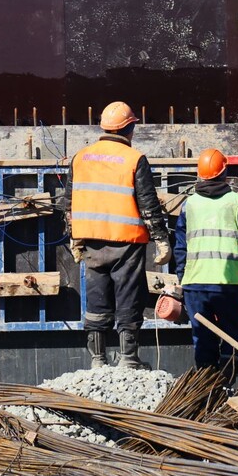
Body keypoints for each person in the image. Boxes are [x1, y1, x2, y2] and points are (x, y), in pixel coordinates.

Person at [65, 101, 171, 370]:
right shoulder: (134, 159)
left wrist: (73, 237)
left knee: (97, 297)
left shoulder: (81, 157)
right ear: (130, 128)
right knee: (128, 297)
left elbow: (68, 203)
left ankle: (98, 360)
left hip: (91, 242)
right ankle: (128, 358)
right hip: (126, 242)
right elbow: (148, 204)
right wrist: (161, 239)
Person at [174, 148, 238, 377]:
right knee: (232, 335)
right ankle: (227, 381)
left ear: (200, 174)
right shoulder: (237, 202)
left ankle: (205, 382)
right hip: (227, 284)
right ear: (224, 173)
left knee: (202, 337)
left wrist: (182, 277)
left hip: (195, 284)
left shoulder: (189, 205)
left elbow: (180, 247)